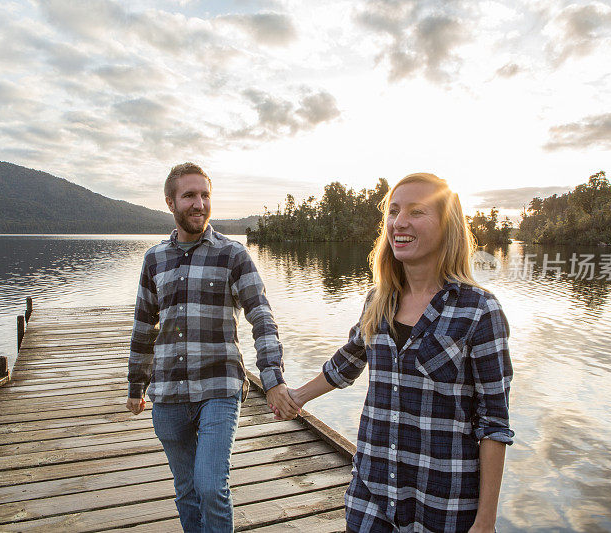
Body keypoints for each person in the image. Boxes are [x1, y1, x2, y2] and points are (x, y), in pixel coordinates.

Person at [277, 173, 514, 532]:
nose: (399, 222)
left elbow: (494, 424)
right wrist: (297, 397)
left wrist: (486, 520)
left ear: (447, 226)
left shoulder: (479, 311)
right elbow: (350, 359)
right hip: (372, 494)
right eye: (393, 210)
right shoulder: (378, 299)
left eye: (416, 212)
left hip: (443, 504)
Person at [126, 162, 300, 532]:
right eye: (189, 195)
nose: (199, 203)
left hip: (219, 388)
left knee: (210, 486)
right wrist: (135, 387)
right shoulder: (154, 259)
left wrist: (273, 379)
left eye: (205, 195)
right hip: (168, 393)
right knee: (186, 489)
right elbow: (144, 327)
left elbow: (262, 317)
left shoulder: (232, 255)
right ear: (170, 201)